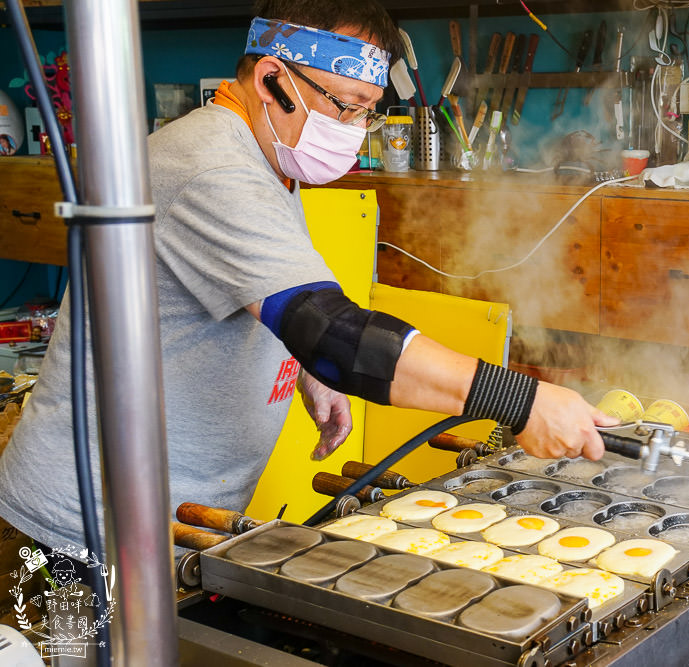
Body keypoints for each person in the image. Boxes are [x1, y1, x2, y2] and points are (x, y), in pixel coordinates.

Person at [0, 0, 615, 554]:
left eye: (368, 114)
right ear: (273, 79)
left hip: (173, 515)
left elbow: (260, 296)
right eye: (345, 107)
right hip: (82, 530)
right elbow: (332, 331)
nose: (352, 130)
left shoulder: (270, 157)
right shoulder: (210, 166)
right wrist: (521, 401)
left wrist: (301, 369)